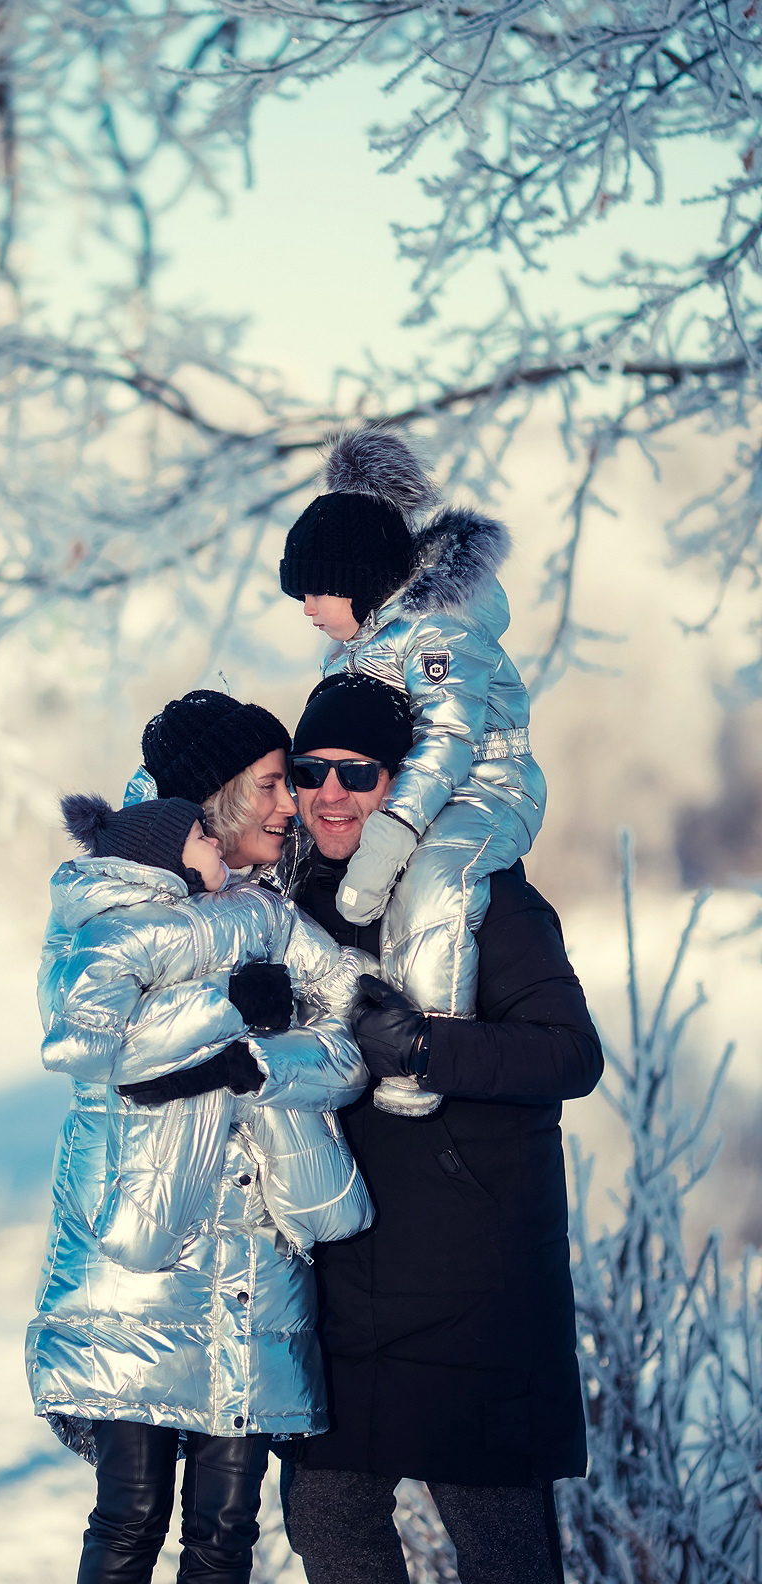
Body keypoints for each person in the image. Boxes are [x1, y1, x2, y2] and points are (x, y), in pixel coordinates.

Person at [278, 672, 604, 1584]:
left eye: (359, 772)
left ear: (402, 782)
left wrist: (427, 1046)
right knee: (326, 1516)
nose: (329, 794)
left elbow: (570, 1055)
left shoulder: (482, 896)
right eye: (310, 772)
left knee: (502, 1548)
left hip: (475, 1281)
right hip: (349, 1281)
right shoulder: (292, 907)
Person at [26, 785, 372, 1583]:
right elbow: (98, 1049)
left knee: (225, 1528)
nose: (287, 801)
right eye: (268, 784)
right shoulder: (106, 928)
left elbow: (342, 1018)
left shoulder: (271, 916)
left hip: (253, 1270)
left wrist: (267, 1056)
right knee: (132, 1511)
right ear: (177, 840)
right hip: (139, 1277)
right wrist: (229, 1004)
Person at [280, 426, 548, 1117]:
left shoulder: (438, 634)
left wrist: (396, 828)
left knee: (434, 880)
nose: (305, 609)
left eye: (315, 592)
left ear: (357, 584)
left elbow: (451, 737)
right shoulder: (357, 645)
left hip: (487, 786)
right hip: (413, 788)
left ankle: (421, 1047)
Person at [123, 687, 296, 876]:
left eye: (287, 784)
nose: (290, 806)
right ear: (212, 800)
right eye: (268, 786)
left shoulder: (308, 869)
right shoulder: (148, 901)